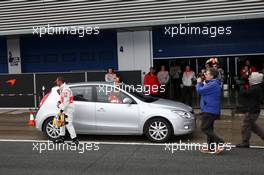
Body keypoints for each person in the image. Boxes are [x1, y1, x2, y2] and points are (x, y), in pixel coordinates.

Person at [196, 68, 224, 154]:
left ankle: (220, 142)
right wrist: (203, 83)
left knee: (204, 128)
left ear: (212, 76)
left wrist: (198, 83)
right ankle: (210, 148)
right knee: (209, 128)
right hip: (210, 109)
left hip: (209, 110)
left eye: (207, 74)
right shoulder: (212, 83)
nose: (205, 75)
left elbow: (199, 90)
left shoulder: (213, 84)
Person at [236, 72, 264, 148]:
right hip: (254, 110)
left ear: (254, 80)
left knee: (245, 127)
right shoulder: (257, 87)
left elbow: (243, 94)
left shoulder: (255, 88)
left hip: (252, 111)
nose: (249, 78)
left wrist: (241, 84)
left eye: (250, 77)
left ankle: (245, 143)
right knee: (253, 127)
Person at [54, 76, 79, 144]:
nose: (56, 83)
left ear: (60, 81)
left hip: (67, 109)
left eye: (57, 81)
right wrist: (59, 102)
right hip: (65, 109)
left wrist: (61, 110)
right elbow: (63, 100)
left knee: (68, 124)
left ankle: (75, 140)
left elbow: (66, 102)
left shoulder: (65, 89)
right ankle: (61, 138)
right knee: (62, 123)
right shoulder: (62, 88)